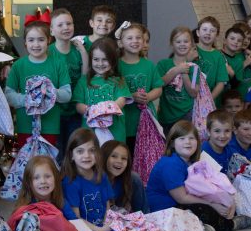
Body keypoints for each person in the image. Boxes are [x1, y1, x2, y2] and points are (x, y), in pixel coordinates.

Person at [6, 156, 108, 231]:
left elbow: (78, 226)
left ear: (55, 178)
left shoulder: (61, 202)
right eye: (36, 178)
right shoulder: (27, 206)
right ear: (29, 182)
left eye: (47, 176)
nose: (43, 181)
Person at [146, 121, 251, 231]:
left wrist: (227, 200)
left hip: (183, 203)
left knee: (222, 202)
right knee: (204, 209)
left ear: (197, 142)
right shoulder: (170, 164)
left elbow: (216, 181)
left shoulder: (195, 160)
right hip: (166, 210)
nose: (187, 142)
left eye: (191, 138)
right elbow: (182, 198)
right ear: (172, 143)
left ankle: (202, 228)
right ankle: (231, 225)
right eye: (181, 138)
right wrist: (211, 204)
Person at [5, 21, 71, 147]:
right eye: (31, 40)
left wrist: (47, 94)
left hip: (49, 126)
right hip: (25, 125)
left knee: (47, 163)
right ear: (25, 42)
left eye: (41, 39)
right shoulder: (19, 65)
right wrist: (30, 99)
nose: (36, 44)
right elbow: (8, 95)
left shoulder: (58, 64)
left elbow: (67, 94)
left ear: (48, 40)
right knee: (27, 164)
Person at [73, 37, 129, 143]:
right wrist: (91, 110)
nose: (100, 63)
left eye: (105, 59)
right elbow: (78, 105)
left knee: (113, 156)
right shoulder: (84, 81)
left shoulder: (118, 80)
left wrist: (106, 110)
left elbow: (122, 100)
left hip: (115, 132)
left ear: (112, 60)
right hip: (90, 133)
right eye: (96, 59)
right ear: (91, 60)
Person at [50, 8, 88, 161]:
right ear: (52, 31)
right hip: (55, 113)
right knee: (58, 152)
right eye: (60, 25)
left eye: (69, 23)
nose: (66, 27)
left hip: (75, 111)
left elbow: (85, 76)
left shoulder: (78, 50)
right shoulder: (48, 52)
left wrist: (84, 53)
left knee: (74, 152)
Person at [118, 23, 162, 151]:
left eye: (138, 38)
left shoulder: (149, 65)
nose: (135, 41)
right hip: (124, 123)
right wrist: (131, 97)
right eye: (129, 38)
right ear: (121, 42)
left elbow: (158, 88)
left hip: (147, 124)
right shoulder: (116, 66)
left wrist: (148, 96)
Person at [61, 129, 115, 229]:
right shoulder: (70, 183)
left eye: (92, 150)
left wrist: (105, 226)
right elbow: (76, 219)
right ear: (71, 155)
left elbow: (108, 208)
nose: (86, 155)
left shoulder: (101, 176)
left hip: (104, 227)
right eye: (80, 151)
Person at [156, 26, 199, 130]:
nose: (182, 44)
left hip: (186, 114)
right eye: (178, 41)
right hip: (166, 116)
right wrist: (176, 70)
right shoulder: (163, 64)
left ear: (191, 44)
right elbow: (159, 84)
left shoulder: (194, 68)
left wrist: (184, 73)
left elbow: (193, 93)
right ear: (172, 44)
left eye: (186, 41)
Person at [101, 140, 148, 213]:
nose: (119, 161)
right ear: (103, 157)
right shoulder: (91, 180)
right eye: (114, 156)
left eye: (123, 158)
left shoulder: (132, 179)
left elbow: (143, 213)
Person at [194, 16, 230, 101]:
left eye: (212, 31)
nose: (208, 33)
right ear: (198, 32)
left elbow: (221, 83)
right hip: (188, 100)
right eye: (205, 29)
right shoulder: (190, 49)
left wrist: (208, 100)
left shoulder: (218, 56)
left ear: (217, 35)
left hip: (208, 101)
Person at [221, 23, 251, 95]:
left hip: (245, 93)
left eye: (249, 39)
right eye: (244, 38)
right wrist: (245, 64)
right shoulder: (220, 55)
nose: (246, 41)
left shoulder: (247, 54)